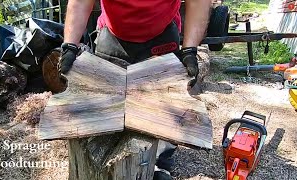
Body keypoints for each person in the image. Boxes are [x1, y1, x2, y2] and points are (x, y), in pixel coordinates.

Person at [59, 0, 211, 179]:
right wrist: (69, 45)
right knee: (106, 110)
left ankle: (159, 165)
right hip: (112, 35)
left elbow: (199, 2)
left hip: (162, 34)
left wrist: (189, 49)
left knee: (163, 107)